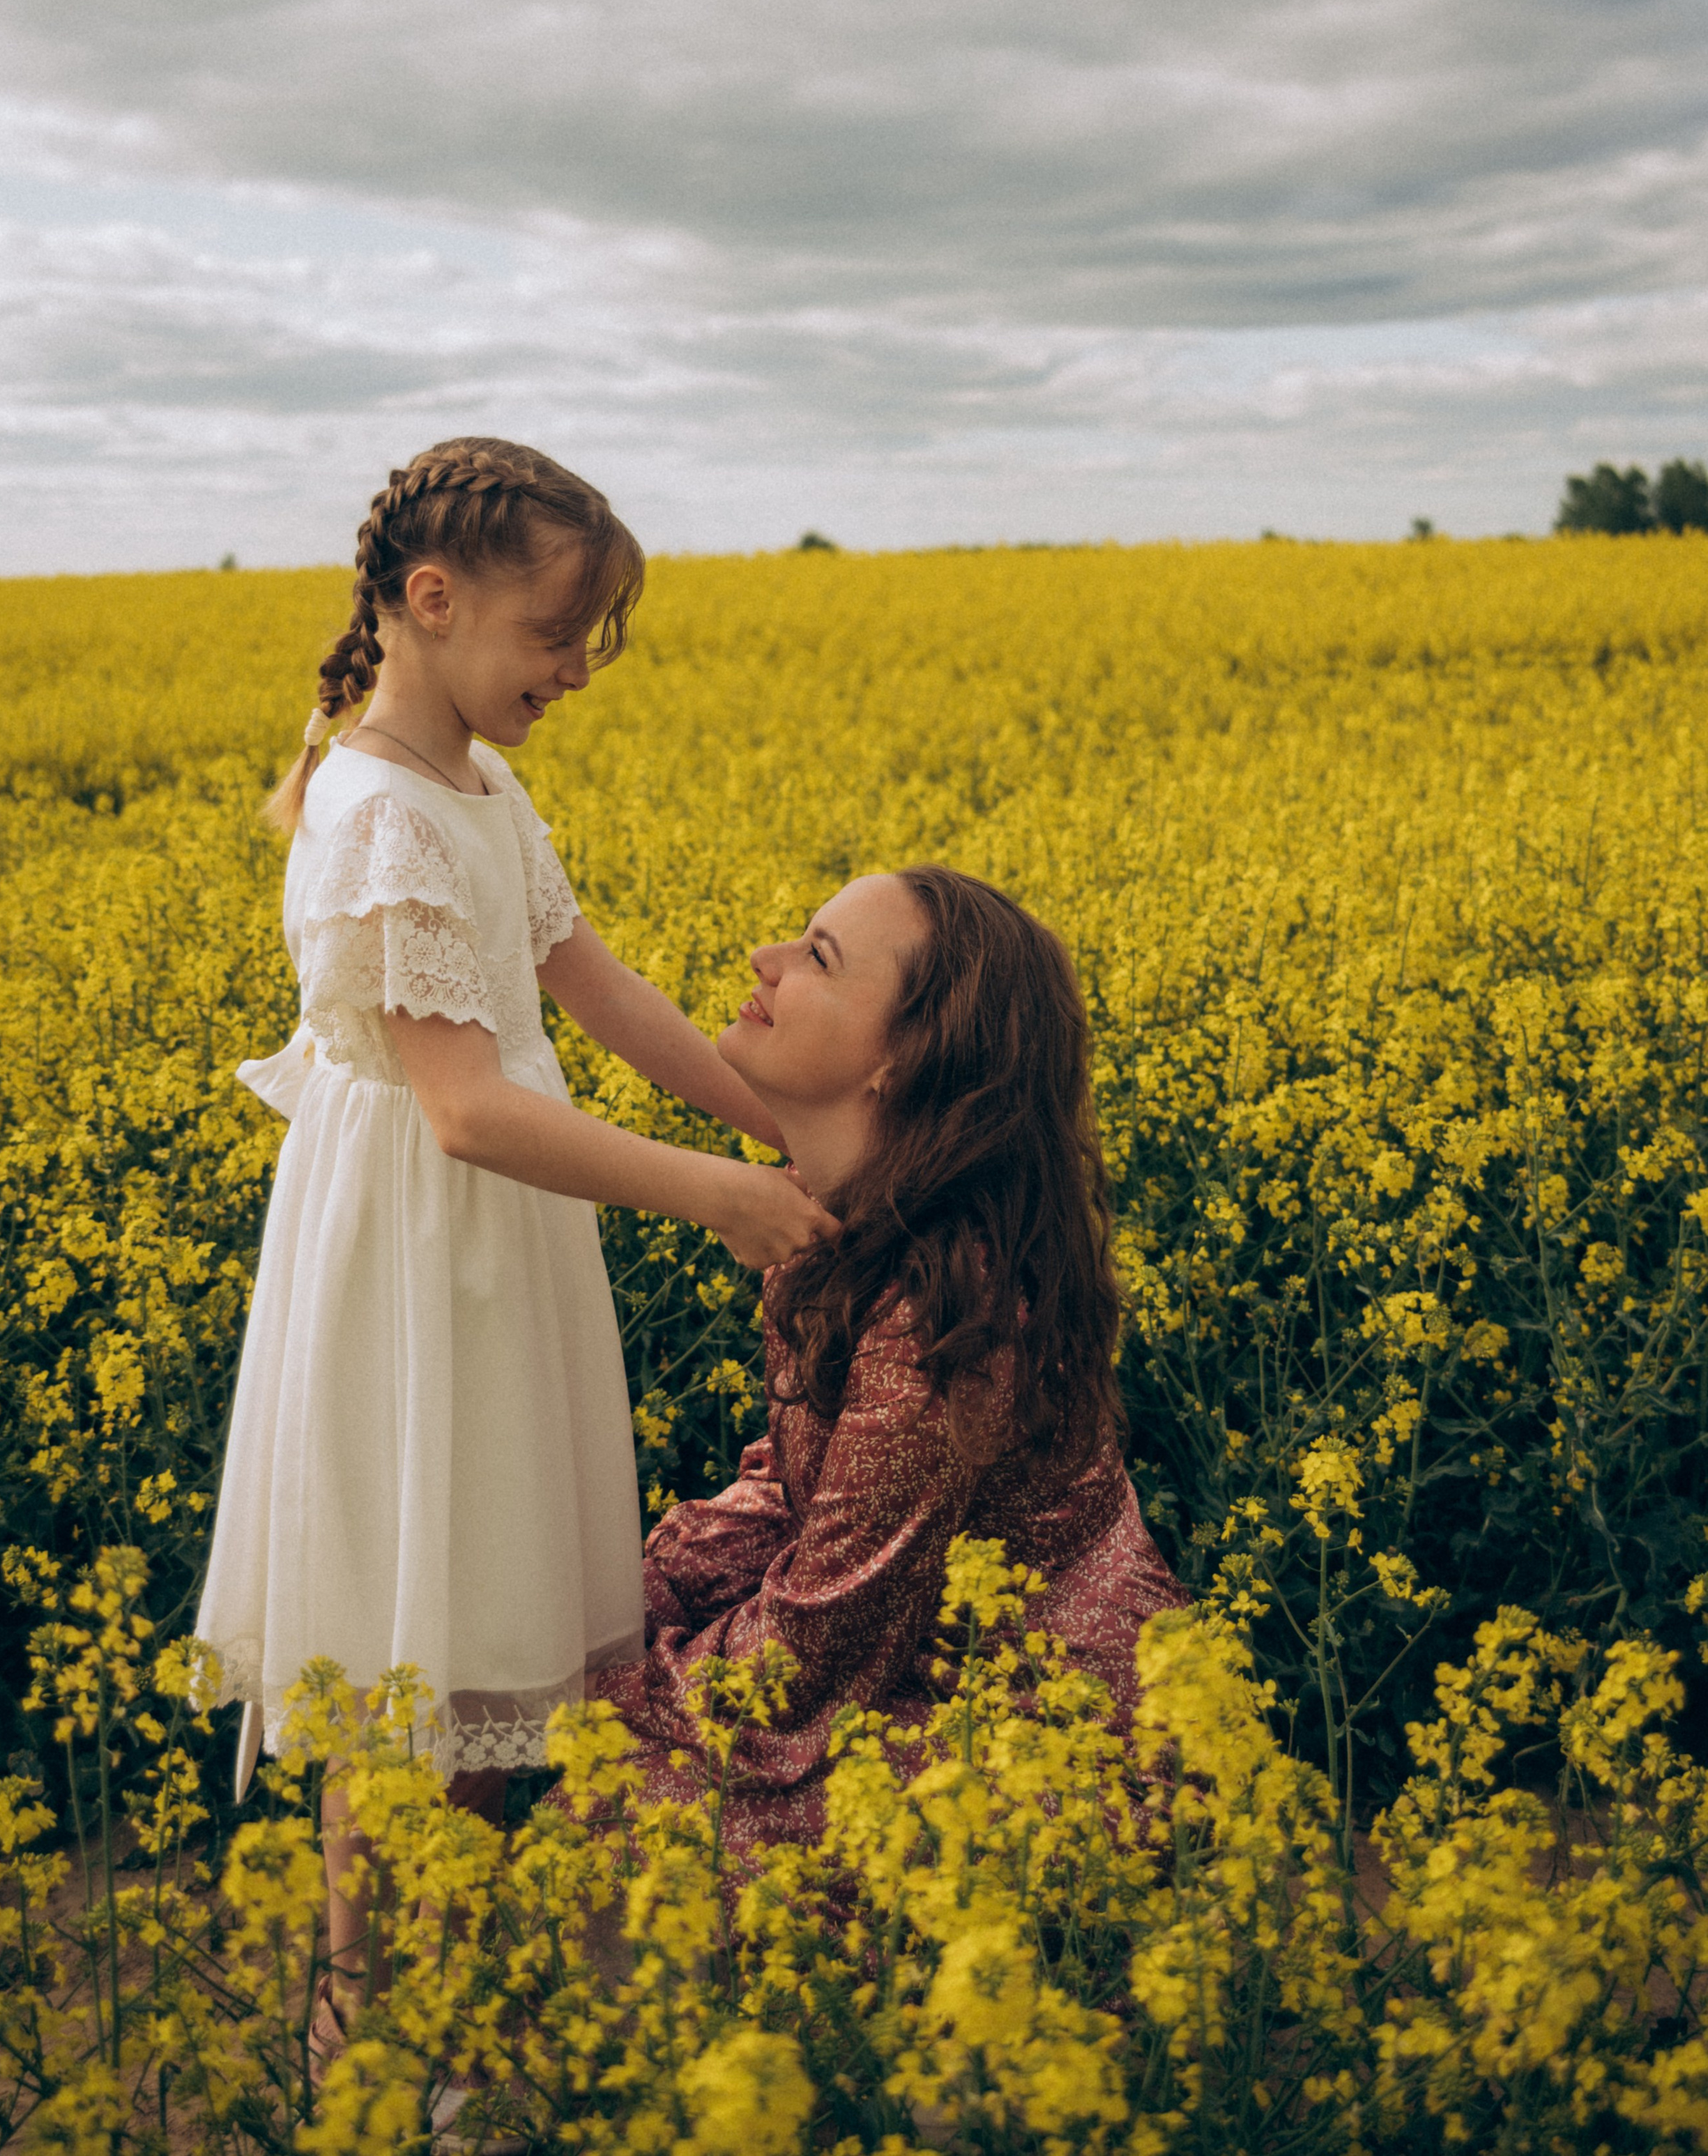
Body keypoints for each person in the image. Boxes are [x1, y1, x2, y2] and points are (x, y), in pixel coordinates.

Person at [195, 436, 833, 2050]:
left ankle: (447, 2021)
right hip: (419, 1255)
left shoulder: (481, 787)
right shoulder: (378, 813)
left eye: (589, 642)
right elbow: (467, 1110)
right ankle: (361, 2025)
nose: (573, 671)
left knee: (481, 1635)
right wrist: (718, 1193)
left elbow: (595, 988)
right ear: (431, 600)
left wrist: (778, 1126)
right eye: (556, 634)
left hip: (497, 1257)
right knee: (403, 1652)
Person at [586, 864, 1189, 1856]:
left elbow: (819, 1648)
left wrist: (606, 1684)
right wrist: (643, 1589)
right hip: (910, 1645)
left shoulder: (944, 1317)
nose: (764, 961)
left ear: (901, 1064)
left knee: (640, 1808)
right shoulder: (833, 1219)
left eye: (815, 957)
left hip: (1046, 1728)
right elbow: (798, 1490)